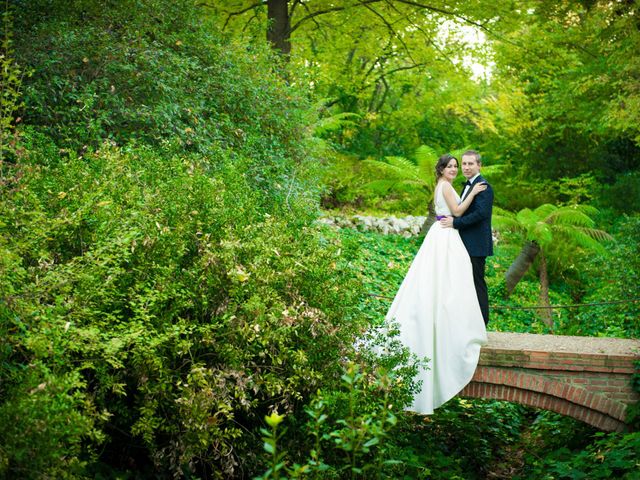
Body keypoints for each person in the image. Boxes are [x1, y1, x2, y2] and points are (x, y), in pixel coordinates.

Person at [385, 153, 488, 415]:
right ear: (441, 170)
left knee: (440, 282)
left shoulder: (442, 186)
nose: (455, 169)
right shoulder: (448, 186)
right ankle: (446, 321)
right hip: (446, 236)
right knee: (451, 282)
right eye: (451, 166)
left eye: (458, 165)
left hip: (440, 236)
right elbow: (457, 211)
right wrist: (472, 194)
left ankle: (441, 317)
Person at [440, 150, 493, 326]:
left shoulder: (483, 186)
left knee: (477, 283)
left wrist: (456, 223)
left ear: (479, 165)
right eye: (464, 164)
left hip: (476, 245)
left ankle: (482, 324)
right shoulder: (468, 185)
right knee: (465, 285)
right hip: (464, 243)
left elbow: (480, 214)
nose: (466, 167)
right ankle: (468, 324)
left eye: (471, 163)